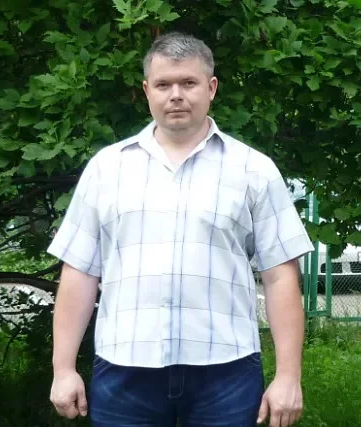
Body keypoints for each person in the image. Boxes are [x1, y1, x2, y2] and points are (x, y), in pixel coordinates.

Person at [47, 32, 314, 427]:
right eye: (163, 84)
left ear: (211, 88)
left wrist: (289, 376)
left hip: (227, 373)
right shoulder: (106, 169)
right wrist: (63, 369)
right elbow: (80, 272)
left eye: (188, 83)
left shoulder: (253, 170)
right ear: (146, 91)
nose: (176, 95)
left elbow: (279, 276)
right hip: (124, 370)